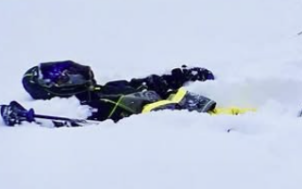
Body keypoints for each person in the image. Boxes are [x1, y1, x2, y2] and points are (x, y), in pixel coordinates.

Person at [2, 60, 220, 125]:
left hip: (208, 111)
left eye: (70, 70)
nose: (76, 74)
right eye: (64, 77)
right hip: (195, 128)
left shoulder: (108, 89)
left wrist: (182, 75)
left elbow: (148, 84)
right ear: (52, 90)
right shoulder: (89, 110)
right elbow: (66, 124)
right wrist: (24, 118)